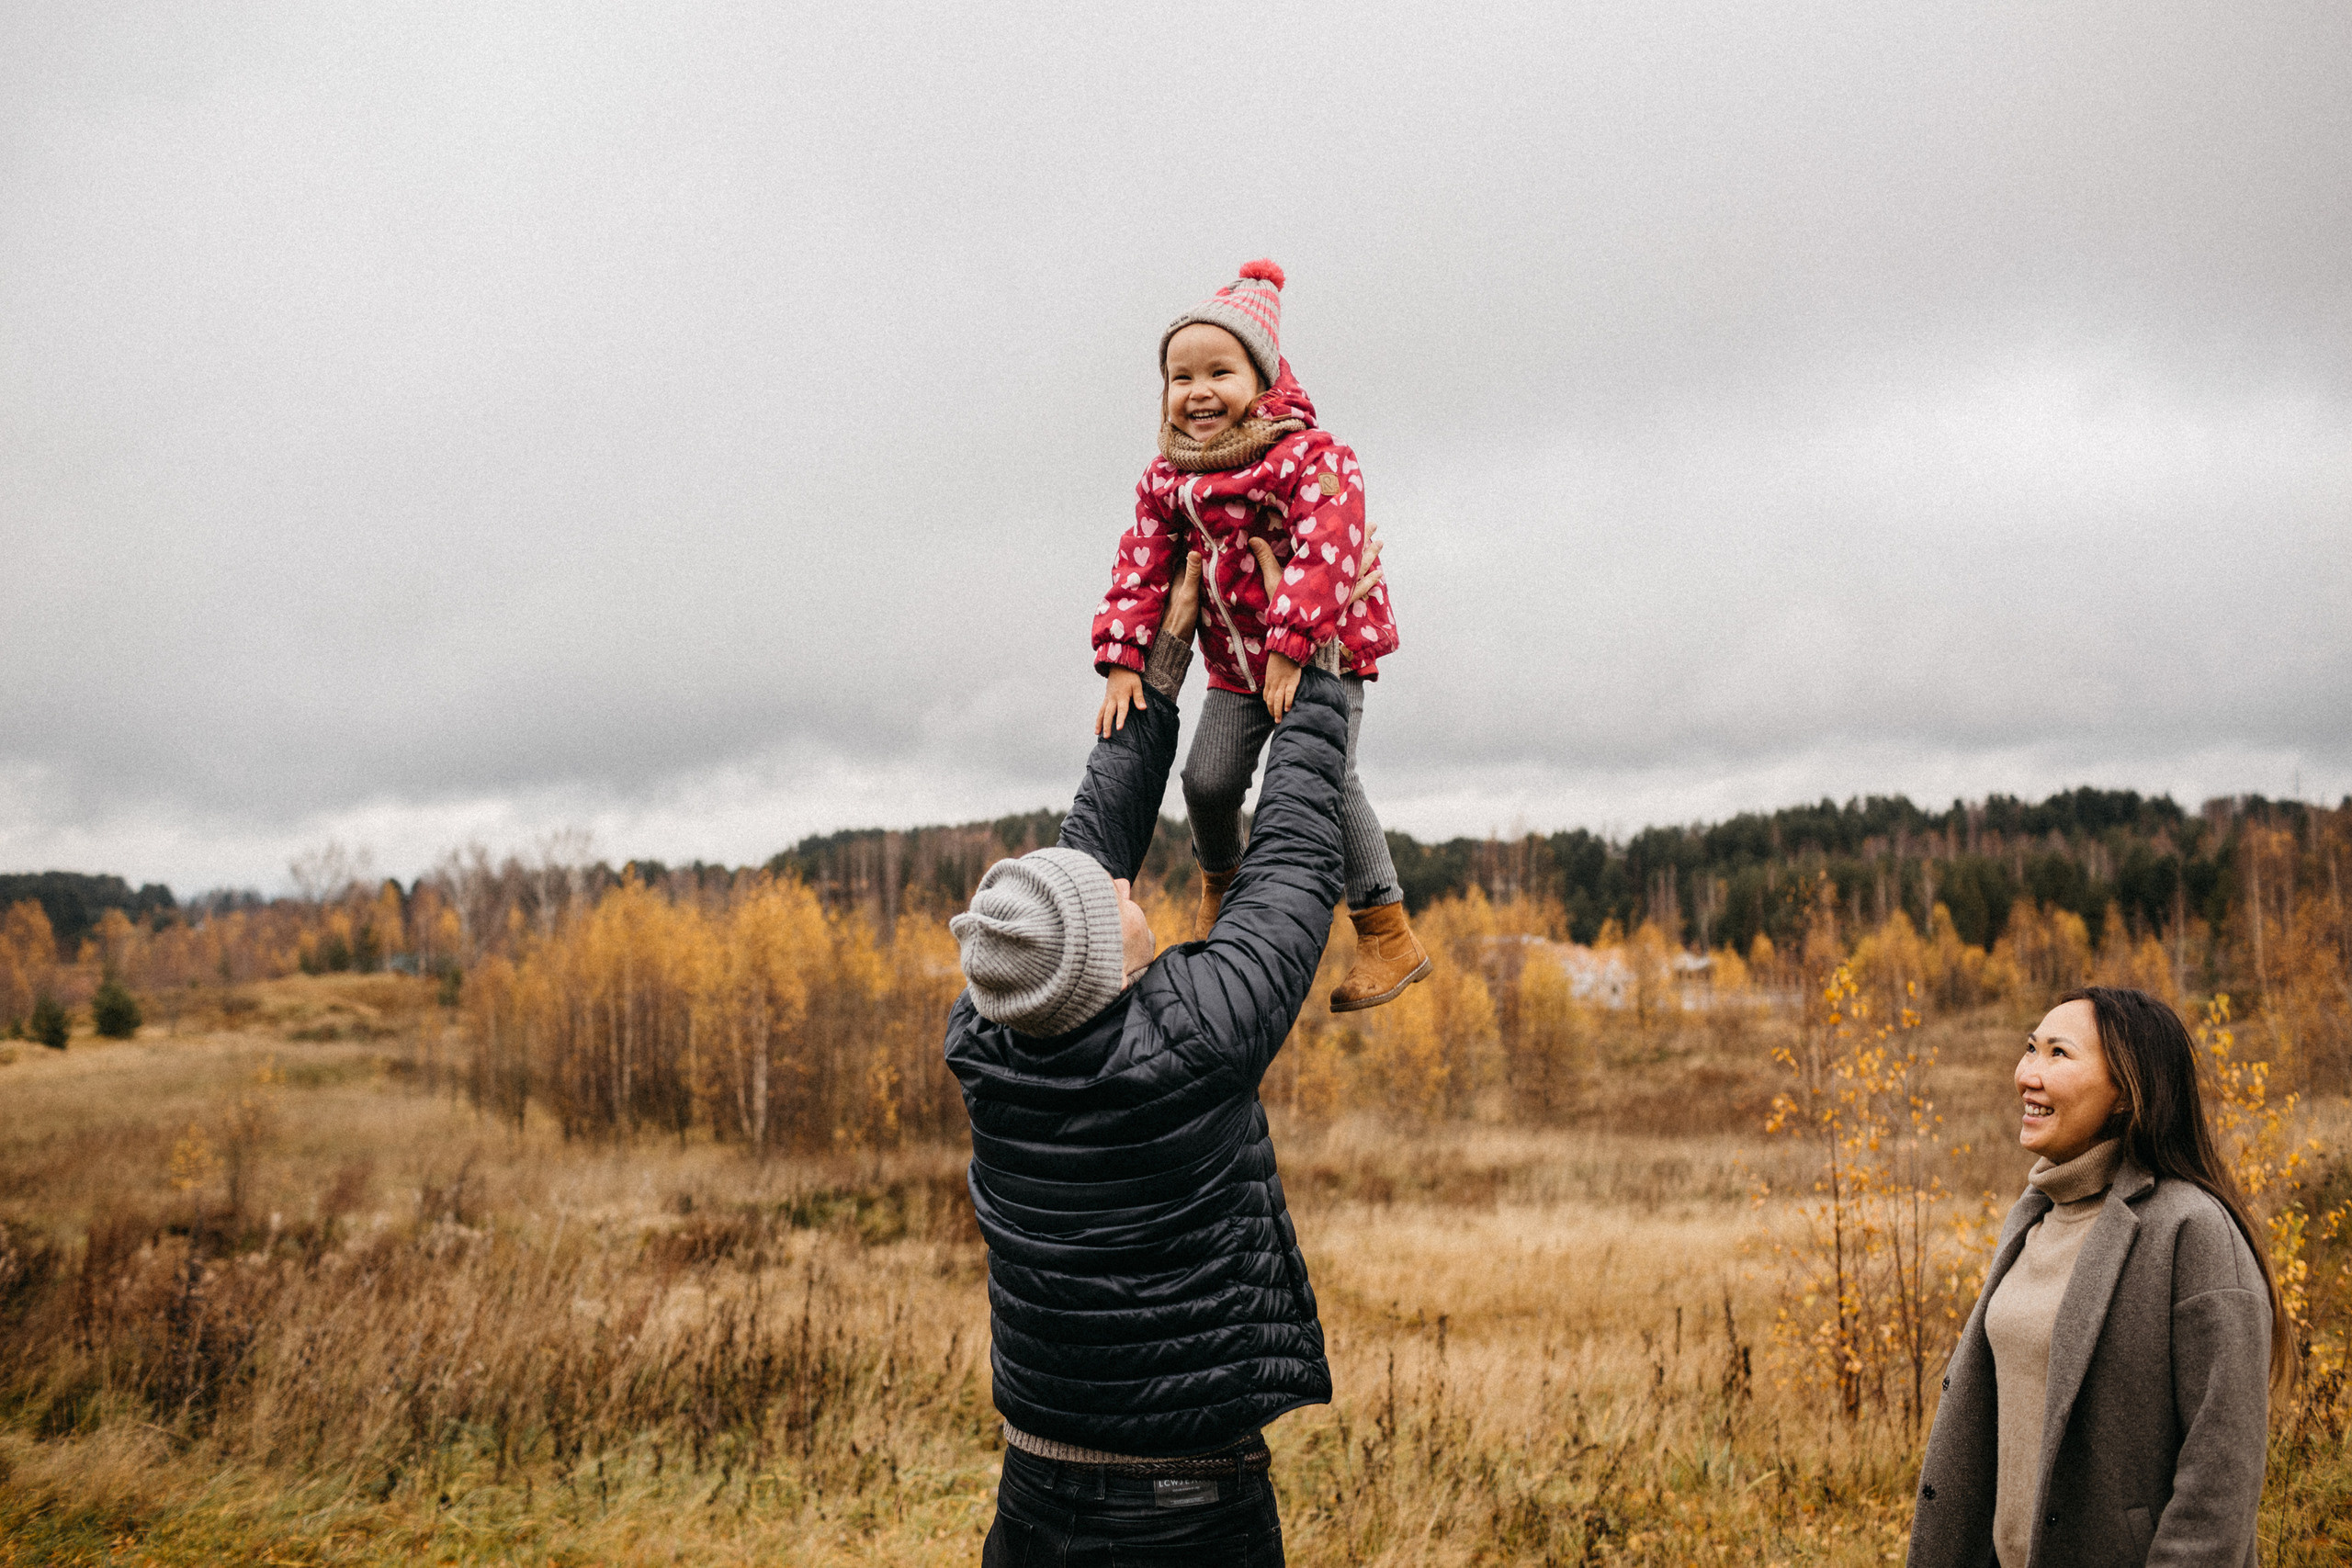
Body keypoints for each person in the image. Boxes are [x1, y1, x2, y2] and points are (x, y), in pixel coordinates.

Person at [946, 555, 1363, 1566]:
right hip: (1180, 1516)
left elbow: (1077, 866)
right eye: (1118, 908)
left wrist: (1158, 665)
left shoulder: (995, 1039)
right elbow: (1299, 854)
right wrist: (1317, 659)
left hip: (1036, 1492)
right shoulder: (1192, 1041)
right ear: (1102, 960)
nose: (1127, 893)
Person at [1089, 257, 1430, 1013]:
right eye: (1181, 378)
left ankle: (1385, 928)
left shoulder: (1308, 457)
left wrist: (1290, 642)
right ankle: (1221, 880)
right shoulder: (1167, 480)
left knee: (1325, 776)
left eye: (1220, 372)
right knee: (1206, 780)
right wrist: (1123, 660)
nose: (1198, 392)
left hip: (1321, 654)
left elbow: (1329, 544)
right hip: (1237, 670)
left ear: (1262, 382)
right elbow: (1141, 565)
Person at [1908, 986, 2286, 1568]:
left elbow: (2221, 1477)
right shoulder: (2034, 1215)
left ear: (2125, 1094)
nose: (2027, 1074)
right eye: (2030, 1049)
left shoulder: (2192, 1231)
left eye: (2058, 1054)